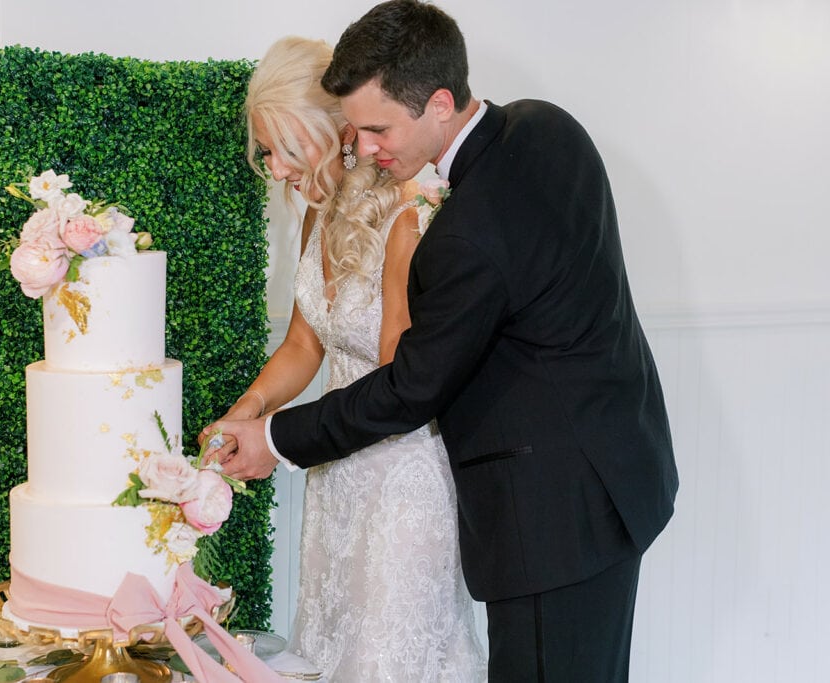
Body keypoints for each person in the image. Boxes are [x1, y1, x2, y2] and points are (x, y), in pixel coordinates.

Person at [208, 2, 679, 681]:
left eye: (375, 128)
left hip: (553, 512)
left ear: (436, 101)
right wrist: (258, 408)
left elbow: (411, 386)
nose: (365, 144)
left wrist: (276, 437)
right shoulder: (548, 126)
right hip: (617, 464)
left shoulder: (456, 234)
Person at [198, 36, 486, 681]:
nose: (274, 169)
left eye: (284, 149)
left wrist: (276, 439)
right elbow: (305, 344)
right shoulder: (317, 217)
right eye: (267, 152)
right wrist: (246, 411)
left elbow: (398, 381)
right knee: (332, 651)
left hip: (402, 479)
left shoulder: (410, 220)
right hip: (338, 481)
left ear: (339, 133)